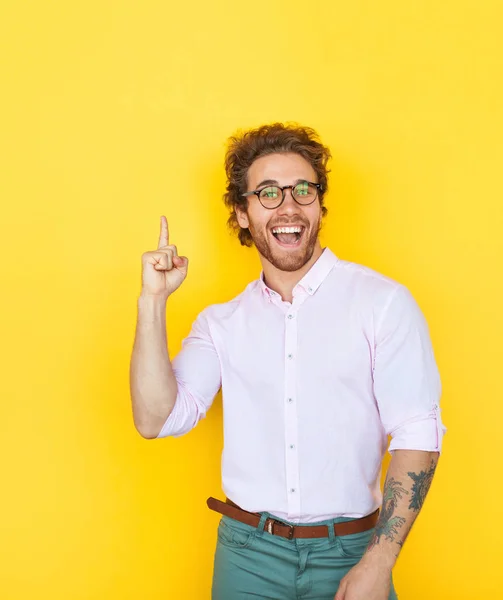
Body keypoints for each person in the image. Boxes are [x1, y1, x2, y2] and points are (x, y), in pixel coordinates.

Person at [129, 123, 446, 600]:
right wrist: (153, 301)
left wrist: (379, 562)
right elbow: (156, 418)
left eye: (303, 189)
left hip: (353, 550)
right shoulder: (221, 322)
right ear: (242, 212)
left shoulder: (383, 303)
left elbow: (418, 432)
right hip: (247, 556)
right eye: (268, 193)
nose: (289, 206)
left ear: (319, 204)